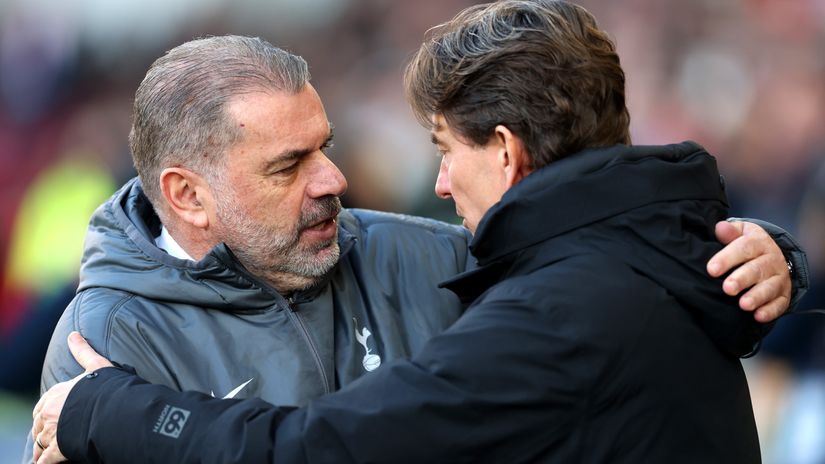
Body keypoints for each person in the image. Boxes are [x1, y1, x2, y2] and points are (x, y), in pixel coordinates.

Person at [30, 1, 810, 463]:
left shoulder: (515, 293)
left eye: (325, 146)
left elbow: (317, 452)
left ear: (503, 152)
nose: (334, 178)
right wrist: (764, 252)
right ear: (186, 196)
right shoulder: (106, 337)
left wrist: (111, 414)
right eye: (287, 163)